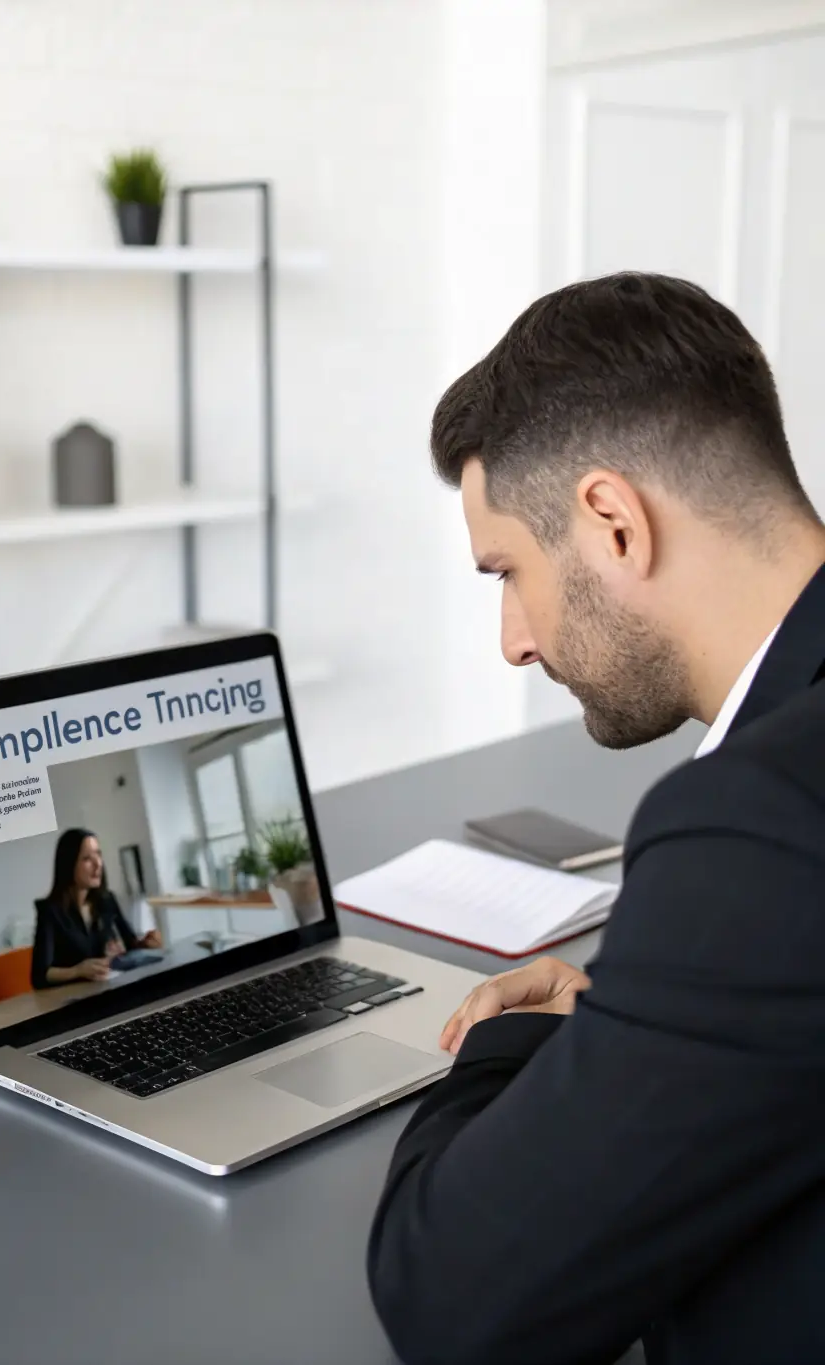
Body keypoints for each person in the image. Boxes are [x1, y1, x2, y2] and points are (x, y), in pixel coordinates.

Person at [366, 273, 825, 1364]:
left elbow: (451, 1302)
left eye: (508, 572)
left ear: (614, 524)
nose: (513, 641)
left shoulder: (758, 828)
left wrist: (501, 1049)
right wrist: (642, 1027)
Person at [31, 828, 162, 989]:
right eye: (87, 858)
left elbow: (131, 945)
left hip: (109, 988)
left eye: (98, 855)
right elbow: (40, 975)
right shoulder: (50, 911)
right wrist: (77, 971)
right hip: (74, 996)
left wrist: (145, 944)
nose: (98, 864)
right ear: (68, 864)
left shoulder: (107, 900)